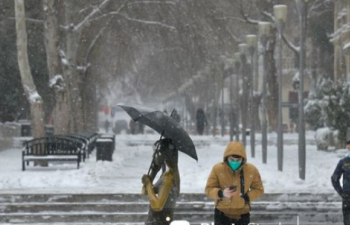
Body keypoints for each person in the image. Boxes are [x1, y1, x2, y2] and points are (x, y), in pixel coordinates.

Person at [205, 141, 264, 225]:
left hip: (243, 213)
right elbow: (209, 189)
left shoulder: (251, 170)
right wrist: (221, 193)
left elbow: (259, 189)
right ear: (226, 158)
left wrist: (247, 197)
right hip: (222, 212)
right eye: (232, 160)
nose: (234, 162)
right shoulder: (217, 169)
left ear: (243, 159)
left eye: (238, 160)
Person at [142, 138, 180, 225]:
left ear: (163, 154)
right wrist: (152, 174)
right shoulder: (166, 174)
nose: (153, 156)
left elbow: (157, 206)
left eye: (155, 153)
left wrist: (148, 184)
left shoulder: (168, 178)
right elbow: (145, 192)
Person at [331, 140, 350, 225]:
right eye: (348, 147)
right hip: (348, 197)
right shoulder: (344, 162)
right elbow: (334, 178)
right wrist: (342, 193)